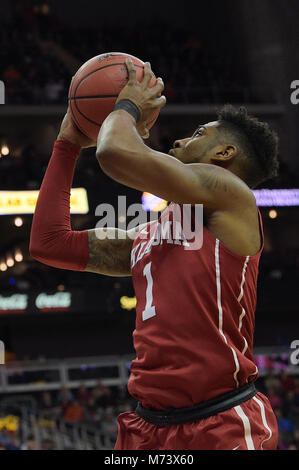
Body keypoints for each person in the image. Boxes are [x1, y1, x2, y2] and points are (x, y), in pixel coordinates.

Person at [30, 59, 279, 450]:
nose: (179, 141)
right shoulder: (148, 238)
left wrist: (127, 106)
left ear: (225, 153)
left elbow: (114, 152)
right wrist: (66, 146)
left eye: (199, 134)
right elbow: (49, 242)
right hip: (148, 428)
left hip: (220, 424)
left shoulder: (232, 194)